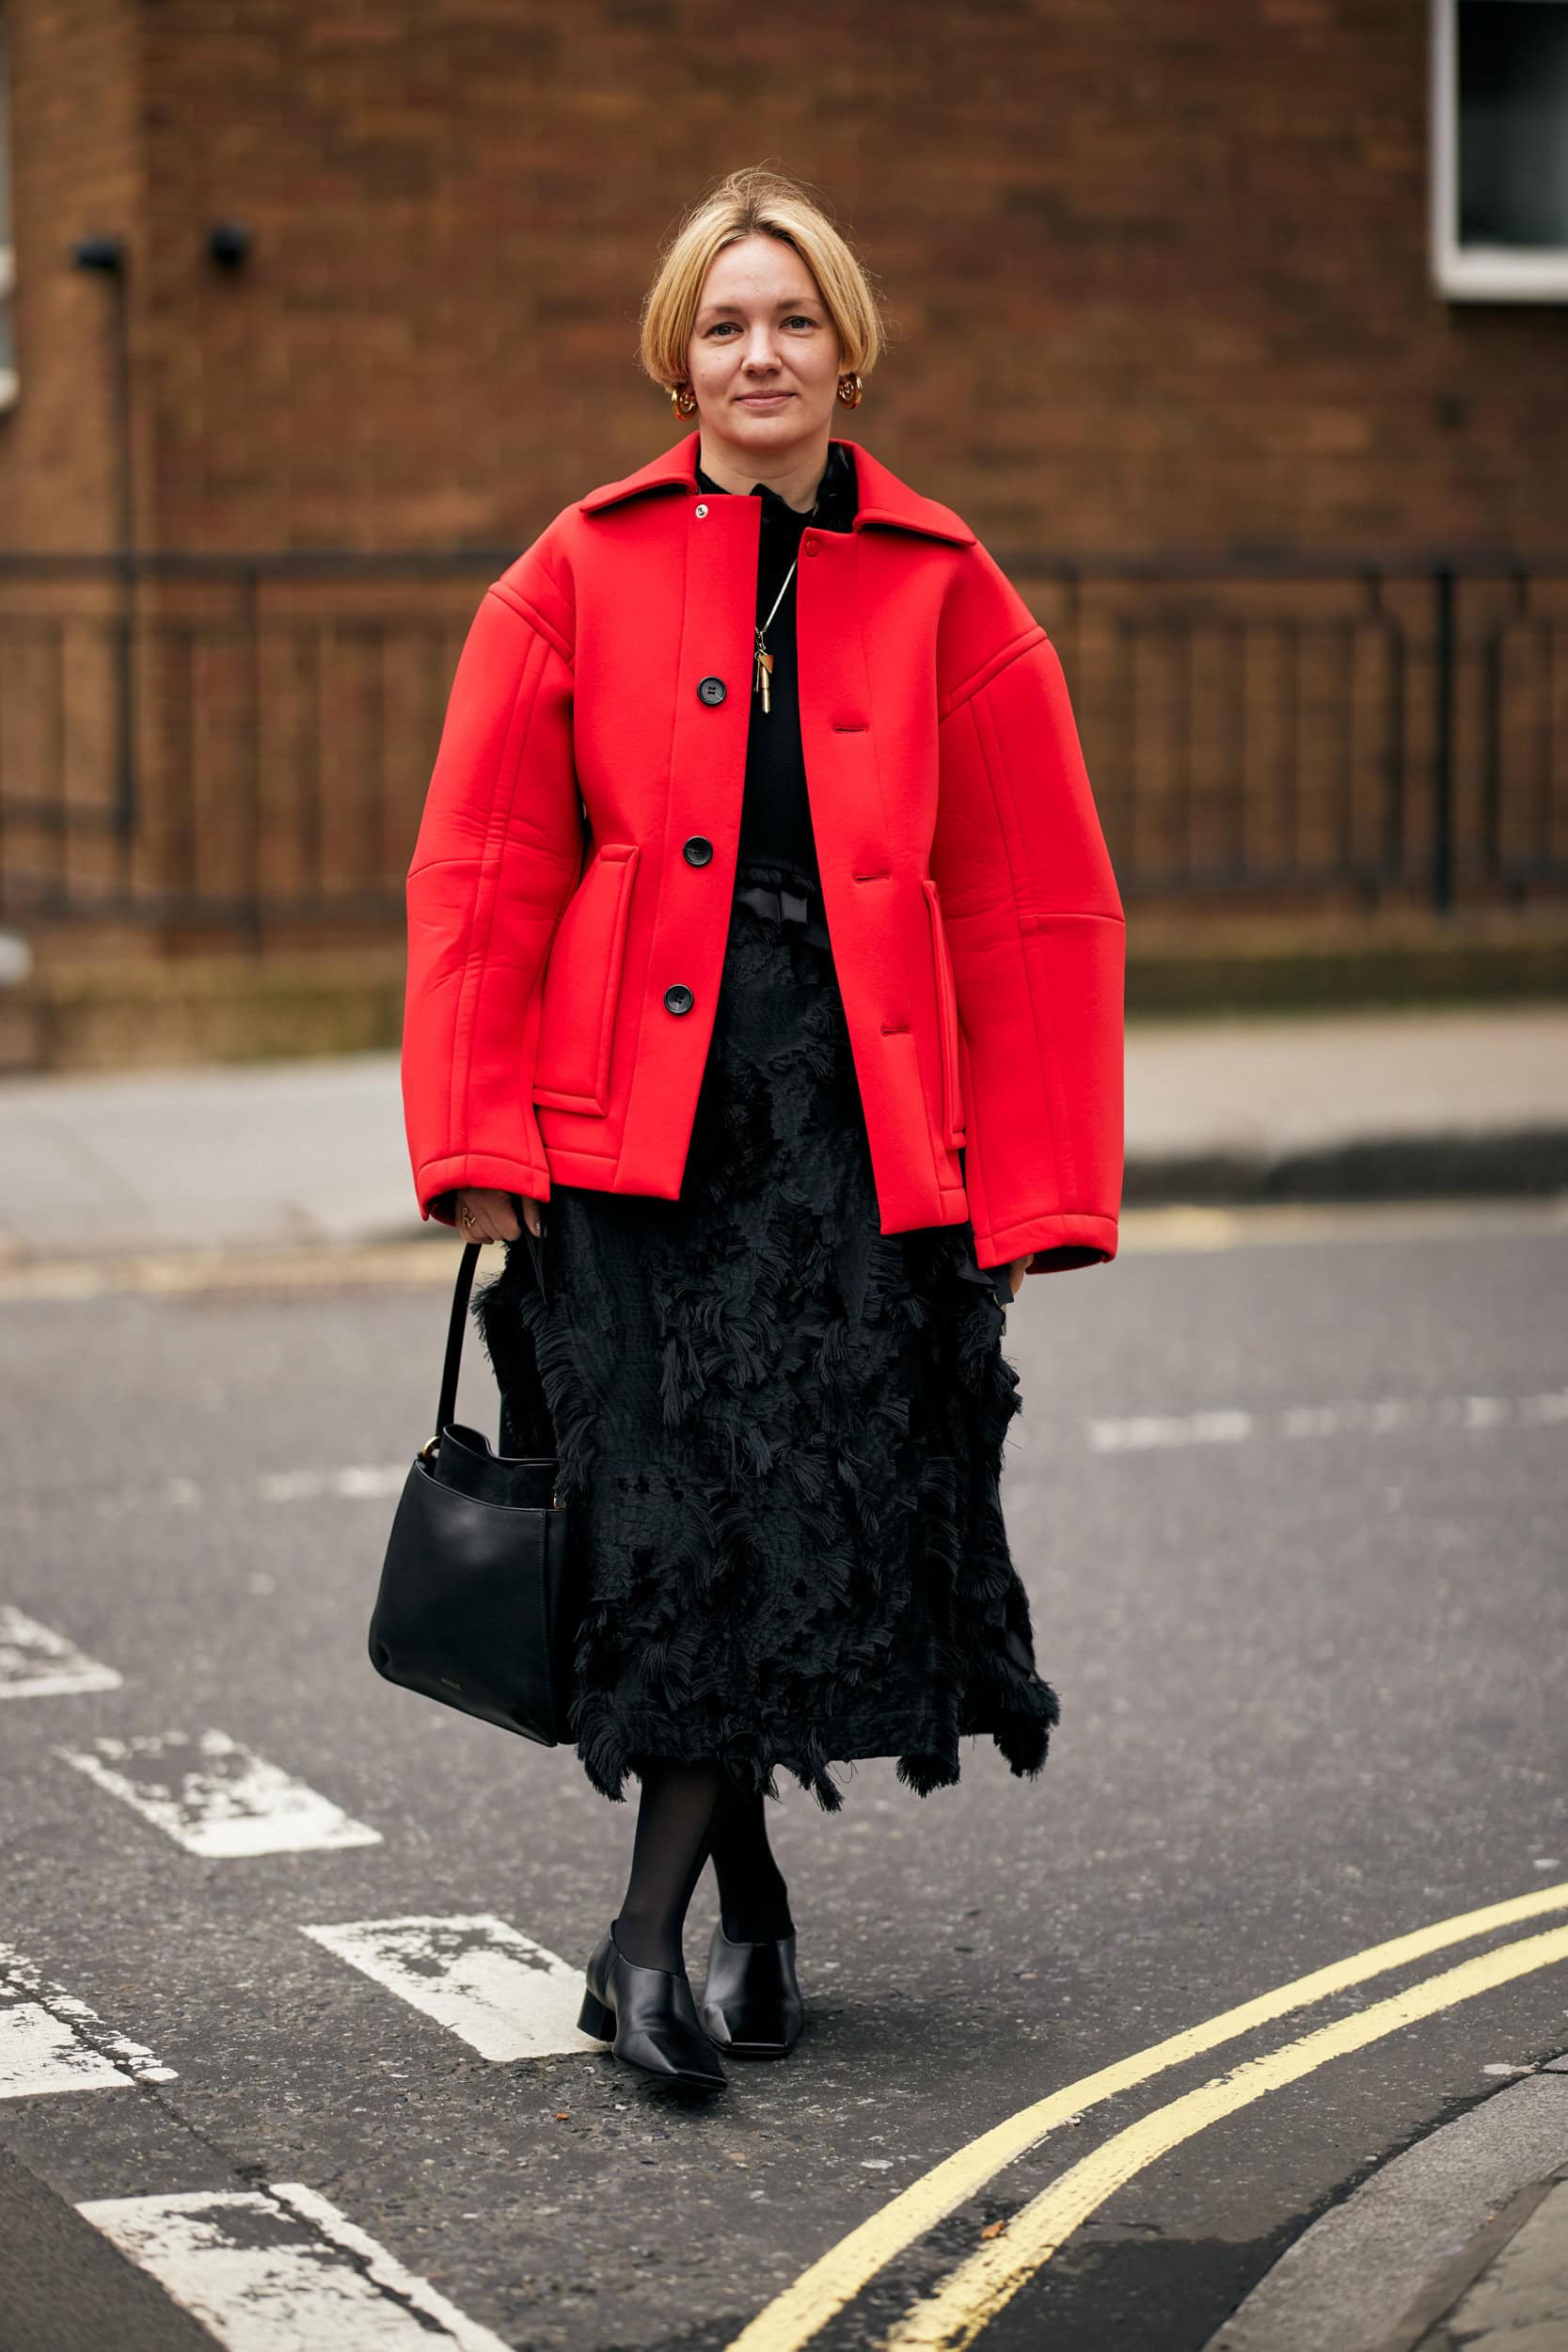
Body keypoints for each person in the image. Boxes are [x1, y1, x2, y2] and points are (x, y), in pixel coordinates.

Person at [399, 166, 1125, 2092]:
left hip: (851, 1134)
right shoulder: (577, 567)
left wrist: (1034, 1180)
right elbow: (484, 865)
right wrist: (473, 1135)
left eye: (794, 319)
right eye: (724, 324)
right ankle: (683, 1933)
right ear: (678, 357)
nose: (760, 353)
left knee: (784, 1524)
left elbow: (1034, 898)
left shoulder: (950, 581)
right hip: (629, 1137)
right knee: (667, 1530)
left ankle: (695, 1928)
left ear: (846, 348)